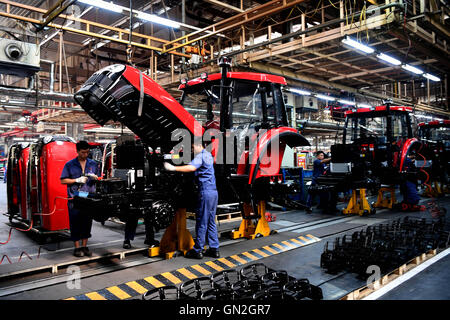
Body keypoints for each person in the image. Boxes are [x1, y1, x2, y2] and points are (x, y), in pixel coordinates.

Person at [163, 141, 219, 259]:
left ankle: (198, 250)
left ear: (199, 145)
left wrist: (173, 168)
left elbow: (191, 167)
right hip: (213, 192)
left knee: (202, 222)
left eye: (193, 148)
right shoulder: (208, 155)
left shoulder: (201, 156)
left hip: (205, 192)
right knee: (211, 221)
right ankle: (214, 249)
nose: (192, 151)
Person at [60, 141, 100, 257]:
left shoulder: (93, 164)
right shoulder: (70, 165)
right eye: (83, 152)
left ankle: (85, 246)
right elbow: (63, 180)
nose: (85, 155)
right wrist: (76, 180)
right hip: (75, 198)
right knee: (75, 222)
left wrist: (96, 178)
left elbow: (98, 178)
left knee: (87, 222)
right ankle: (77, 248)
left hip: (88, 198)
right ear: (77, 151)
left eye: (87, 152)